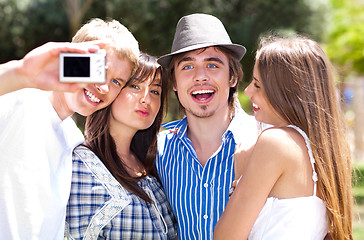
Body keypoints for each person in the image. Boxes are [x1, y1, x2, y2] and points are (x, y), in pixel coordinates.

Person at [0, 18, 139, 239]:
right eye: (98, 70)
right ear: (74, 59)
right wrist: (21, 72)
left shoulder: (72, 137)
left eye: (116, 82)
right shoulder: (19, 101)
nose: (103, 86)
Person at [214, 36, 353, 240]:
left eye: (258, 85)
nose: (248, 91)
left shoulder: (275, 143)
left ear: (287, 91)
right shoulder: (325, 152)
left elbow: (226, 237)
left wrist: (241, 169)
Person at [156, 13, 259, 239]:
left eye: (212, 65)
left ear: (232, 78)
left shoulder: (263, 141)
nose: (200, 77)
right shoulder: (158, 154)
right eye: (187, 67)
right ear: (174, 82)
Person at [65, 53, 177, 239]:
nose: (146, 99)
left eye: (155, 91)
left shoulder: (158, 164)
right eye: (135, 86)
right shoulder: (80, 166)